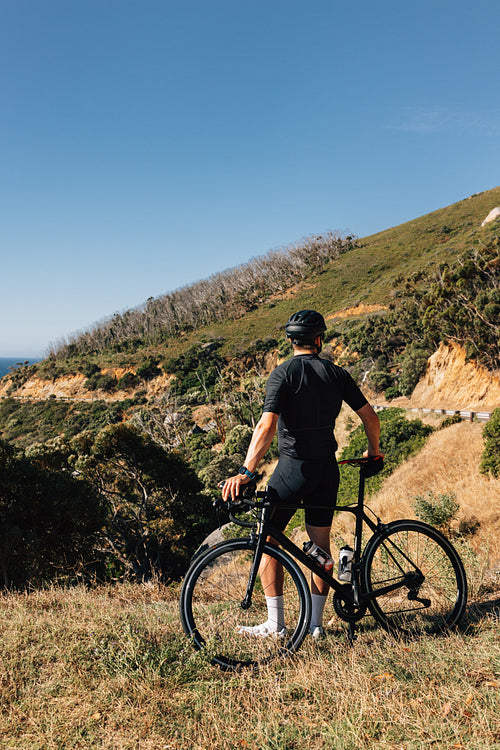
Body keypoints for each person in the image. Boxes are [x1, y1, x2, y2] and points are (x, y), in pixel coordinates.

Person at [222, 309, 383, 639]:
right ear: (319, 339)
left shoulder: (283, 373)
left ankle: (275, 624)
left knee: (267, 539)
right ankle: (315, 624)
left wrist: (245, 471)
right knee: (319, 545)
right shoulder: (337, 373)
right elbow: (371, 417)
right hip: (326, 469)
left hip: (293, 469)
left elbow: (266, 426)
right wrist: (373, 450)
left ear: (291, 340)